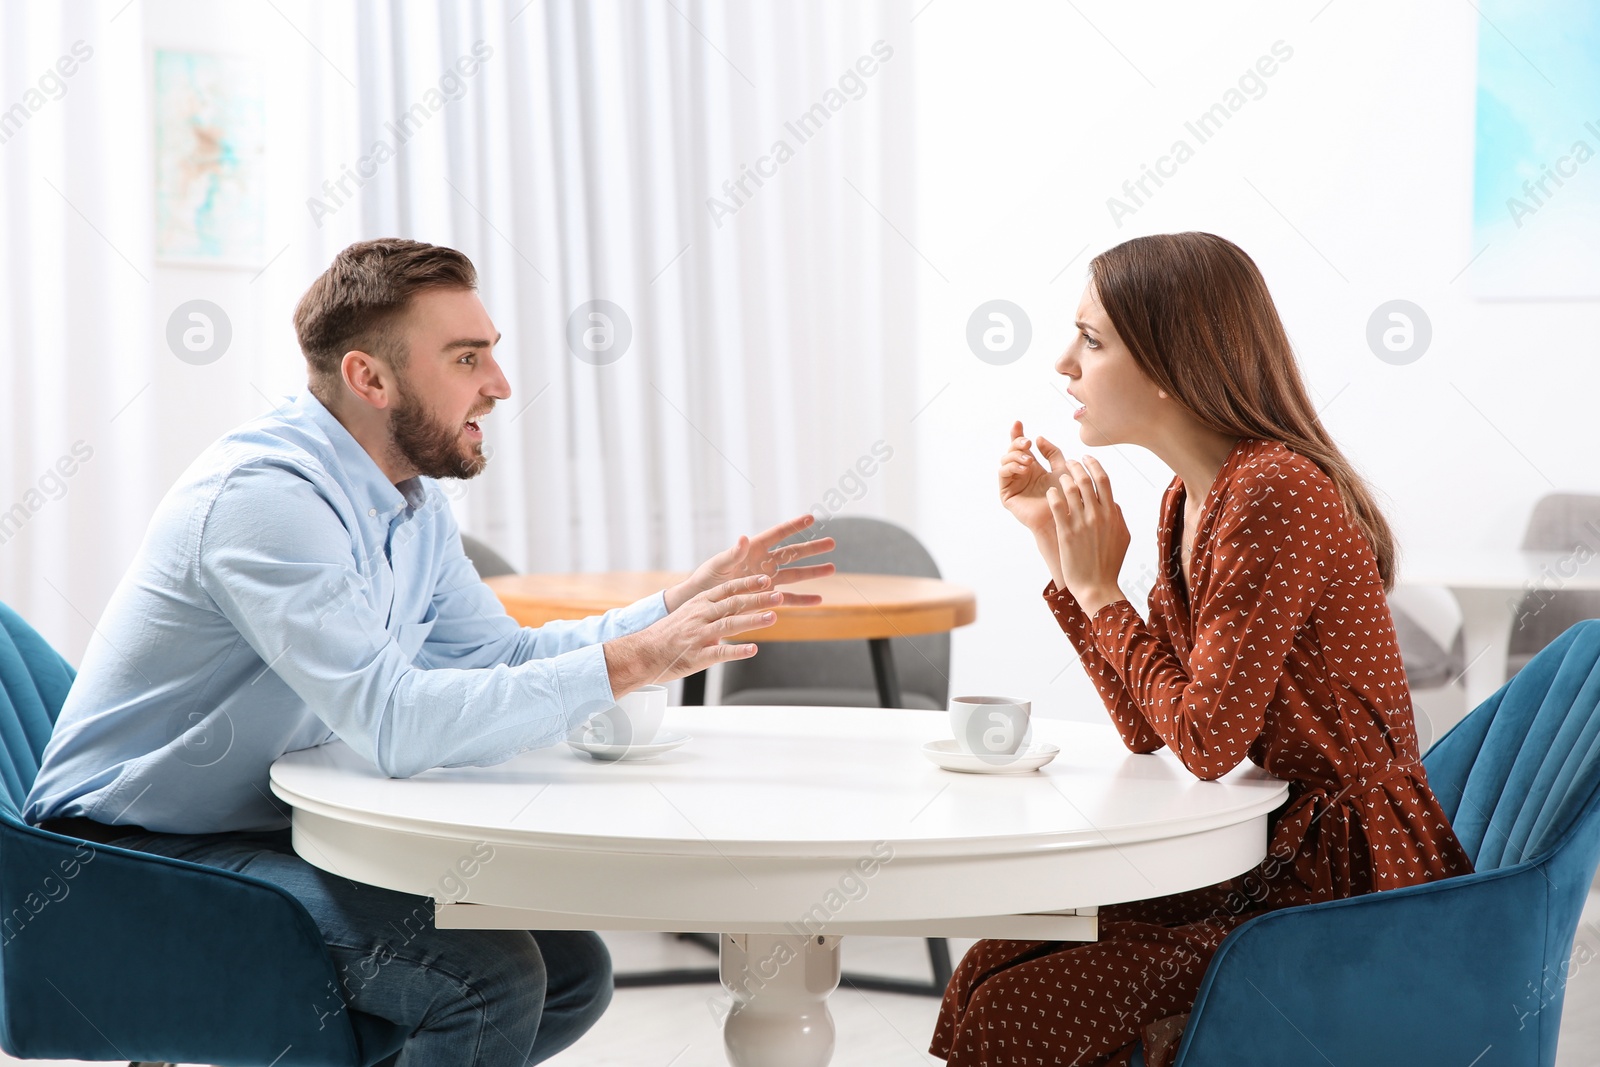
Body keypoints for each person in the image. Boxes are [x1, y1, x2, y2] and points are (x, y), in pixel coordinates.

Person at [23, 238, 835, 1064]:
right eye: (467, 357)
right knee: (491, 979)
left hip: (243, 829)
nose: (500, 384)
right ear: (369, 379)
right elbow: (394, 723)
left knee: (573, 968)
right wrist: (635, 661)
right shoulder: (266, 500)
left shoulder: (408, 499)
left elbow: (498, 658)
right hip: (120, 861)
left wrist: (669, 610)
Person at [930, 232, 1472, 1067]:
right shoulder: (1189, 498)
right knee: (989, 967)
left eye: (1092, 338)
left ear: (1168, 363)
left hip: (1348, 880)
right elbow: (1147, 724)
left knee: (1018, 1005)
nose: (1063, 363)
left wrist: (1103, 592)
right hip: (1278, 847)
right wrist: (1063, 558)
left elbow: (1206, 742)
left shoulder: (1272, 491)